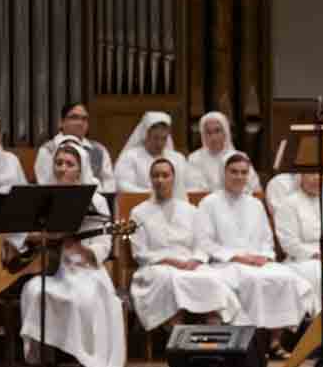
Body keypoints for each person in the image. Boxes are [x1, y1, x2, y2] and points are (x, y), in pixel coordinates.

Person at [18, 140, 125, 367]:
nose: (62, 168)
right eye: (58, 163)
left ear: (79, 169)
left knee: (83, 298)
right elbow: (26, 233)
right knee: (33, 291)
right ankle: (48, 360)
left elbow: (104, 243)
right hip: (53, 269)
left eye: (69, 164)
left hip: (86, 269)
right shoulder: (42, 196)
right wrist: (40, 237)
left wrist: (82, 249)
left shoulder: (94, 199)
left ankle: (88, 362)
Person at [195, 152, 311, 336]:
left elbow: (266, 239)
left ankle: (274, 341)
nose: (239, 177)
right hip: (226, 263)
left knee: (286, 278)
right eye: (234, 172)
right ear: (224, 173)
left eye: (243, 172)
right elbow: (205, 242)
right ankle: (249, 338)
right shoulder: (209, 203)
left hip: (257, 262)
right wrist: (237, 257)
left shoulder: (255, 204)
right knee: (253, 281)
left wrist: (263, 256)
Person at [128, 156, 241, 332]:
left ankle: (213, 337)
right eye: (156, 176)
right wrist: (170, 261)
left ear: (173, 178)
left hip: (189, 263)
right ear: (150, 179)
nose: (160, 180)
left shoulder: (190, 210)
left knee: (212, 278)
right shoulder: (138, 212)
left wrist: (195, 259)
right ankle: (177, 339)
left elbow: (201, 244)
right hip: (156, 266)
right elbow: (140, 253)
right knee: (171, 279)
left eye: (165, 175)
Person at [271, 171, 323, 318]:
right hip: (303, 259)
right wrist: (321, 256)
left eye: (320, 175)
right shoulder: (289, 203)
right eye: (311, 174)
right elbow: (289, 244)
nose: (316, 178)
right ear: (301, 178)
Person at [34, 101, 116, 192]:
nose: (80, 123)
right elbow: (45, 185)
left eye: (84, 119)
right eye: (74, 117)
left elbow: (109, 185)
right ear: (61, 122)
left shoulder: (99, 150)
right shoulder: (48, 150)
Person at [112, 110, 188, 196]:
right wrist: (155, 194)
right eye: (155, 138)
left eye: (163, 139)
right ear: (146, 135)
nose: (159, 143)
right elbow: (123, 185)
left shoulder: (178, 158)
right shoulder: (129, 157)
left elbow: (188, 185)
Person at [185, 110, 260, 194]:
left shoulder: (240, 157)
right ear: (203, 135)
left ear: (225, 132)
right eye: (208, 132)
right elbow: (194, 189)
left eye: (217, 131)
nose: (213, 137)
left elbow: (254, 187)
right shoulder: (195, 158)